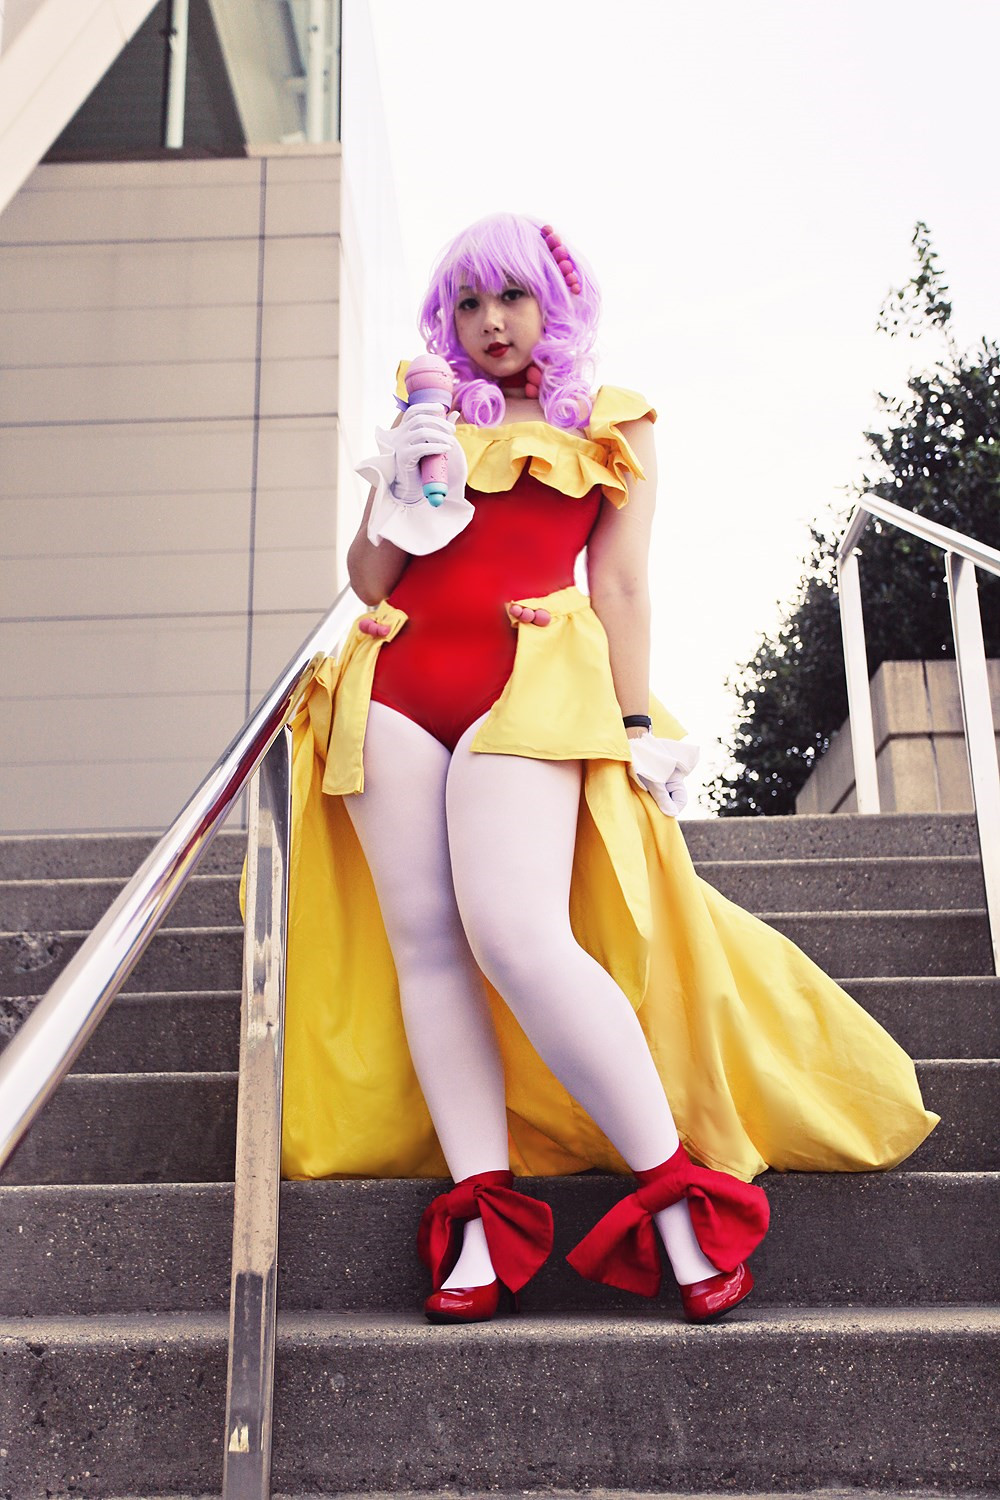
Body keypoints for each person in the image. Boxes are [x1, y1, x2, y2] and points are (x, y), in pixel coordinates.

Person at [272, 213, 938, 1326]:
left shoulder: (610, 421)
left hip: (531, 678)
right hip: (394, 686)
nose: (491, 322)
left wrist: (634, 723)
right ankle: (480, 1216)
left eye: (512, 298)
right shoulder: (428, 411)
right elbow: (370, 578)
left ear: (555, 303)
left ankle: (673, 1194)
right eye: (469, 303)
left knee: (517, 934)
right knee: (428, 947)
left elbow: (621, 584)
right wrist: (399, 473)